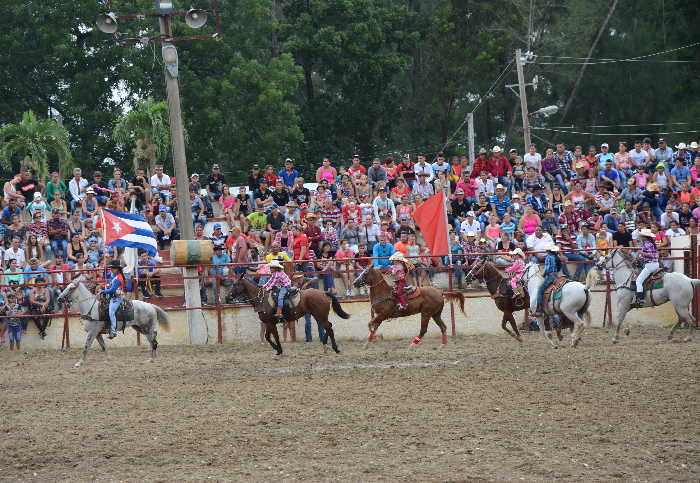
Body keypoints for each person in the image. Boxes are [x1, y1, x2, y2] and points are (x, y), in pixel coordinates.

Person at [534, 244, 562, 315]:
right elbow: (559, 267)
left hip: (550, 276)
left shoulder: (548, 257)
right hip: (556, 275)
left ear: (547, 250)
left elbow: (547, 268)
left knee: (540, 290)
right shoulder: (556, 257)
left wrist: (543, 274)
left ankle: (539, 308)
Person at [634, 228, 659, 307]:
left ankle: (640, 299)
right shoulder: (650, 243)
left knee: (638, 281)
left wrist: (641, 252)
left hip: (650, 265)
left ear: (645, 237)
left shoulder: (647, 244)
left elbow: (650, 255)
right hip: (654, 264)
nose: (640, 237)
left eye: (641, 236)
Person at [100, 260, 125, 339]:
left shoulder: (119, 278)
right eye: (110, 268)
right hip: (112, 296)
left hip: (117, 297)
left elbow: (112, 290)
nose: (111, 269)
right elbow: (110, 286)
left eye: (112, 268)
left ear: (117, 269)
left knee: (111, 311)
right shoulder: (113, 275)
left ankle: (113, 330)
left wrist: (103, 291)